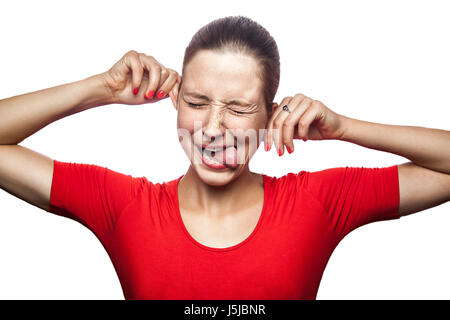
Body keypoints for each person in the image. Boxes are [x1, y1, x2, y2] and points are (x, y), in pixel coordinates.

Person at [0, 15, 449, 300]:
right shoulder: (122, 205)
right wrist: (100, 88)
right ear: (173, 102)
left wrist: (346, 128)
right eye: (196, 102)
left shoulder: (318, 201)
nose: (213, 128)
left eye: (238, 109)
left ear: (273, 116)